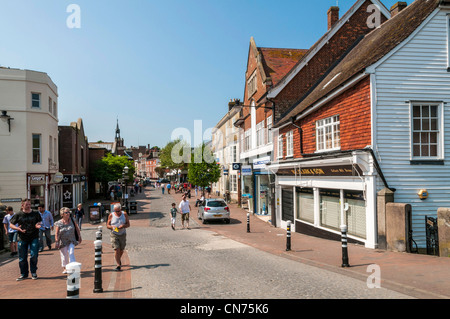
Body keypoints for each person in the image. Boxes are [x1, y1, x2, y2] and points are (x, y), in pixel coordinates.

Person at [9, 199, 42, 281]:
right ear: (22, 205)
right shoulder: (18, 214)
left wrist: (38, 225)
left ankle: (33, 272)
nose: (28, 206)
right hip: (22, 238)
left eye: (29, 204)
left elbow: (40, 221)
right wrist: (17, 228)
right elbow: (11, 224)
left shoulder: (35, 213)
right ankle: (23, 274)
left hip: (34, 236)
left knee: (34, 255)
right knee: (22, 257)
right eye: (27, 204)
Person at [54, 207, 82, 274]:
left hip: (71, 240)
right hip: (63, 241)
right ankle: (65, 268)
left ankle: (72, 267)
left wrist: (79, 237)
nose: (68, 214)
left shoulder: (72, 220)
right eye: (66, 212)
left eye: (68, 212)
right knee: (64, 255)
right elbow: (56, 233)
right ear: (62, 214)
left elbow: (77, 228)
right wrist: (56, 241)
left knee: (71, 252)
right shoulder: (59, 223)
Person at [107, 203, 130, 271]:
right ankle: (118, 265)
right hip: (114, 234)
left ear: (120, 209)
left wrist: (123, 226)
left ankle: (118, 259)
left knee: (121, 249)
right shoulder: (111, 215)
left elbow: (128, 224)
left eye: (118, 211)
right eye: (115, 211)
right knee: (116, 249)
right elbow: (107, 225)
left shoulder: (124, 214)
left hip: (122, 234)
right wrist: (112, 227)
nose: (116, 212)